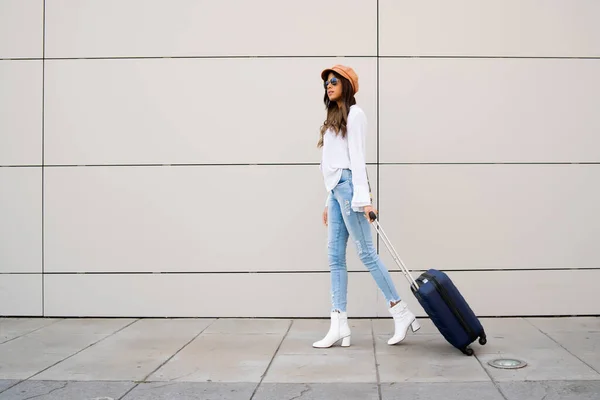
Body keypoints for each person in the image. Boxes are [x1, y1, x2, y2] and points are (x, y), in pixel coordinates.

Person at [313, 65, 420, 348]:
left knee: (366, 253)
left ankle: (401, 312)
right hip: (336, 191)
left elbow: (356, 158)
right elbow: (333, 164)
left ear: (346, 85)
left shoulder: (355, 114)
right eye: (326, 82)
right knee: (334, 257)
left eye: (334, 81)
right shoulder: (333, 116)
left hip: (349, 190)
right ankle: (339, 324)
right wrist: (329, 199)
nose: (328, 85)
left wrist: (364, 199)